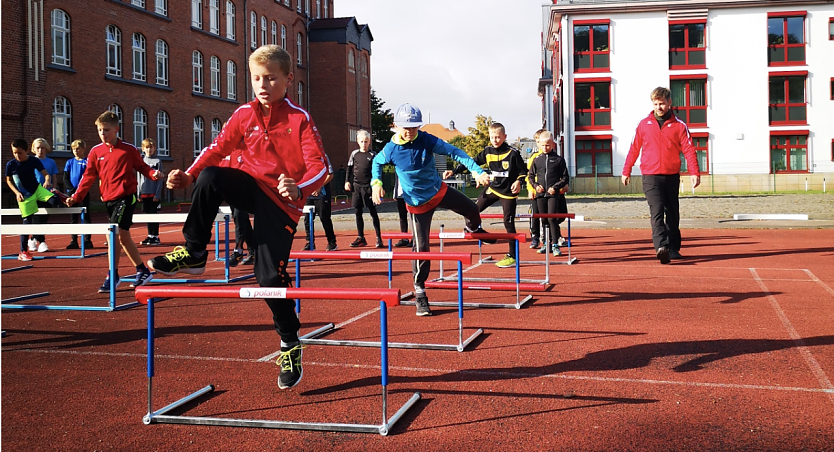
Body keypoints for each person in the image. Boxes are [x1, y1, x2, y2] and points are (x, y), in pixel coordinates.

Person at [146, 45, 328, 390]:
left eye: (271, 78)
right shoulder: (243, 114)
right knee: (210, 176)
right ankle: (195, 252)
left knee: (269, 281)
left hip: (281, 200)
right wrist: (188, 175)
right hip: (247, 186)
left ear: (288, 80)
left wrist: (299, 188)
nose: (263, 85)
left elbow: (323, 167)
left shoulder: (298, 118)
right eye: (257, 78)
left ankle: (290, 342)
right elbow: (216, 149)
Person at [371, 103, 494, 317]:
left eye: (414, 127)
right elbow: (376, 163)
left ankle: (473, 228)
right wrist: (377, 183)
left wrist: (476, 170)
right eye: (405, 128)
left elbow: (455, 152)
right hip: (418, 204)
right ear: (396, 126)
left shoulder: (427, 139)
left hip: (439, 191)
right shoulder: (391, 148)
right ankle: (420, 292)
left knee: (473, 209)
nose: (409, 132)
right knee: (422, 249)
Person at [66, 111, 163, 291]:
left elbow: (142, 167)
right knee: (124, 237)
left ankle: (113, 274)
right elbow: (88, 176)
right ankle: (142, 270)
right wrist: (77, 197)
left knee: (112, 235)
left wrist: (153, 174)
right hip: (109, 199)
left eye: (106, 130)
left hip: (126, 197)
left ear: (116, 129)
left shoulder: (129, 149)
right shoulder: (96, 151)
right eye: (100, 130)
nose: (103, 134)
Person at [622, 86, 700, 264]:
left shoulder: (680, 126)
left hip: (671, 176)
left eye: (662, 104)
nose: (659, 107)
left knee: (672, 213)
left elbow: (689, 149)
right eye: (656, 104)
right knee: (656, 211)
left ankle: (673, 248)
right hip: (650, 176)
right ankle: (661, 247)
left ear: (669, 103)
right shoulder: (643, 124)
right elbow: (634, 148)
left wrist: (694, 172)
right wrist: (626, 170)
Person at [444, 122, 526, 268]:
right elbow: (471, 162)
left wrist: (519, 182)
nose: (495, 140)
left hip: (508, 193)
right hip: (493, 188)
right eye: (492, 137)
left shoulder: (513, 153)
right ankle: (475, 229)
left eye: (498, 137)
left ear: (504, 137)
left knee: (508, 222)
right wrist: (454, 171)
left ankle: (512, 256)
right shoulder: (487, 151)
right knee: (472, 208)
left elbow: (523, 171)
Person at [5, 139, 63, 261]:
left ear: (26, 151)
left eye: (19, 153)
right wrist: (16, 193)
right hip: (25, 195)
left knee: (55, 201)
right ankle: (23, 251)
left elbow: (46, 174)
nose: (17, 156)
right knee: (27, 223)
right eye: (14, 153)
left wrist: (47, 181)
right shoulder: (11, 164)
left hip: (37, 189)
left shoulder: (33, 161)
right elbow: (9, 180)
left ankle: (55, 194)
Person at [528, 131, 569, 257]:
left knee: (552, 219)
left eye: (548, 145)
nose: (545, 148)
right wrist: (535, 186)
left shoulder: (558, 160)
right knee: (544, 219)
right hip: (540, 195)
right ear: (539, 145)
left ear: (553, 145)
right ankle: (546, 244)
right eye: (543, 145)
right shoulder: (536, 160)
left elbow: (565, 178)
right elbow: (530, 176)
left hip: (553, 195)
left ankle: (555, 244)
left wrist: (555, 187)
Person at [345, 130, 383, 248]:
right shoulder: (354, 154)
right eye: (361, 141)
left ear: (369, 142)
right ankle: (361, 237)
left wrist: (379, 186)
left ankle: (378, 238)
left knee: (373, 212)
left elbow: (378, 171)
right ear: (358, 142)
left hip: (369, 187)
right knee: (357, 212)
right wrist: (347, 181)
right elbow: (349, 168)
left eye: (366, 141)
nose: (364, 144)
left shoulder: (373, 155)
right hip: (357, 187)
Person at [63, 139, 95, 250]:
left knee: (85, 216)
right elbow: (65, 177)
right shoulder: (70, 162)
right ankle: (74, 240)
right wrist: (71, 189)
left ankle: (87, 240)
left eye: (78, 149)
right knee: (73, 217)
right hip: (71, 193)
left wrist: (81, 190)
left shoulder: (87, 161)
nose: (75, 151)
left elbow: (89, 177)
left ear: (83, 149)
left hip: (83, 193)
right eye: (73, 149)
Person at [29, 138, 59, 253]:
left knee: (45, 216)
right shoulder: (31, 161)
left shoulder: (51, 162)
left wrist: (54, 188)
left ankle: (33, 238)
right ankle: (41, 241)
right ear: (33, 149)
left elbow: (54, 176)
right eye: (38, 148)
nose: (40, 150)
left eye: (42, 148)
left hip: (47, 192)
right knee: (36, 216)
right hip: (34, 192)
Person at [302, 154, 337, 251]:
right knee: (307, 219)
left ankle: (332, 242)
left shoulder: (323, 156)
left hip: (322, 194)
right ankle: (310, 242)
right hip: (308, 194)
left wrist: (318, 187)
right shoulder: (303, 156)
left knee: (324, 218)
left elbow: (330, 174)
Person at [137, 138, 164, 246]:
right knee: (148, 215)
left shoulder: (158, 162)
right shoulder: (141, 161)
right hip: (144, 192)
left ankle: (155, 236)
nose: (149, 150)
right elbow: (138, 178)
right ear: (143, 149)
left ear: (154, 149)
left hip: (153, 193)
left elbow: (160, 179)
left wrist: (157, 194)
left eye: (151, 147)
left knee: (154, 214)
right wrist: (138, 192)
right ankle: (149, 235)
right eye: (147, 148)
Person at [526, 129, 545, 250]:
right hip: (535, 190)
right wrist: (530, 190)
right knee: (535, 215)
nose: (539, 144)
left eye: (541, 141)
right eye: (537, 141)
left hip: (547, 192)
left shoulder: (554, 157)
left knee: (548, 216)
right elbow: (529, 176)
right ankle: (535, 237)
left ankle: (552, 238)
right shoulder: (534, 157)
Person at [391, 173, 411, 248]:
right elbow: (397, 180)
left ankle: (415, 238)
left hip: (410, 193)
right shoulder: (397, 164)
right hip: (400, 194)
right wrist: (395, 193)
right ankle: (404, 238)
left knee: (413, 216)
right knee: (402, 217)